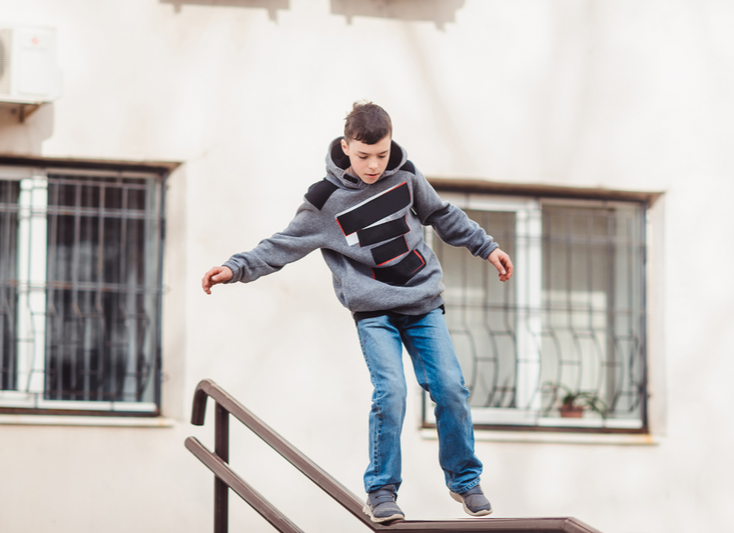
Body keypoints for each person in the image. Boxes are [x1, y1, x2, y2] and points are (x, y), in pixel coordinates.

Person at [202, 101, 513, 523]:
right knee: (392, 393)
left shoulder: (405, 174)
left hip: (422, 304)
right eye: (364, 156)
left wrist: (487, 247)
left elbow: (441, 215)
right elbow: (283, 245)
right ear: (346, 146)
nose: (373, 166)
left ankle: (464, 481)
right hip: (374, 312)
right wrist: (236, 267)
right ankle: (382, 491)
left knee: (451, 388)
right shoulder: (324, 201)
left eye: (381, 155)